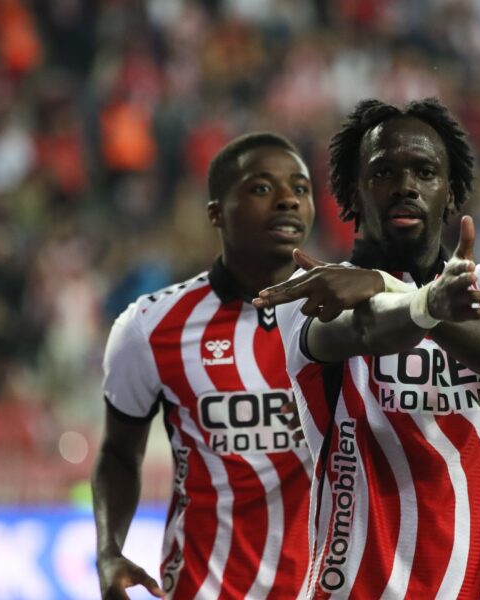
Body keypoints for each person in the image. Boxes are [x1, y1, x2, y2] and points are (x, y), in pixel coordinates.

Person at [253, 97, 480, 598]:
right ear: (353, 192)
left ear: (451, 191)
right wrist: (428, 302)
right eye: (382, 173)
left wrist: (402, 291)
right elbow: (365, 330)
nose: (405, 186)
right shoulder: (319, 288)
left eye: (425, 172)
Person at [92, 133, 315, 599]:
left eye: (300, 188)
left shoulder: (348, 317)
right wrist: (109, 550)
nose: (288, 200)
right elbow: (118, 455)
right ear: (216, 212)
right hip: (203, 589)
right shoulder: (149, 326)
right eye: (262, 188)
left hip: (325, 588)